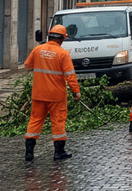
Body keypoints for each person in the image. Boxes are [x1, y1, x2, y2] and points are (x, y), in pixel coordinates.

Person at [24, 25, 80, 161]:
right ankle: (58, 152)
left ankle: (29, 152)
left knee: (35, 120)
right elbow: (70, 75)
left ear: (49, 36)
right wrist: (76, 92)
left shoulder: (38, 49)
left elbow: (27, 65)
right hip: (56, 95)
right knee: (58, 122)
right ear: (62, 38)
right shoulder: (63, 54)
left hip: (38, 94)